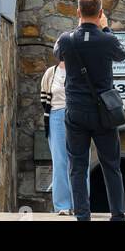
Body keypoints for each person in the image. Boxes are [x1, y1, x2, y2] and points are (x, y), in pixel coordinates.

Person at [54, 0, 125, 221]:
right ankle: (117, 215)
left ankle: (82, 216)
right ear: (100, 14)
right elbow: (122, 54)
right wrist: (105, 29)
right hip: (103, 112)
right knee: (111, 166)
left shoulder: (67, 39)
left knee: (77, 165)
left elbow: (57, 53)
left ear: (78, 13)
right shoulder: (107, 40)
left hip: (76, 111)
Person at [41, 60, 73, 215]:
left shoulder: (81, 69)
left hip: (77, 116)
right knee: (59, 161)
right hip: (55, 116)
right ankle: (62, 206)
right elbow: (44, 98)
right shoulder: (50, 72)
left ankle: (79, 203)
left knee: (80, 161)